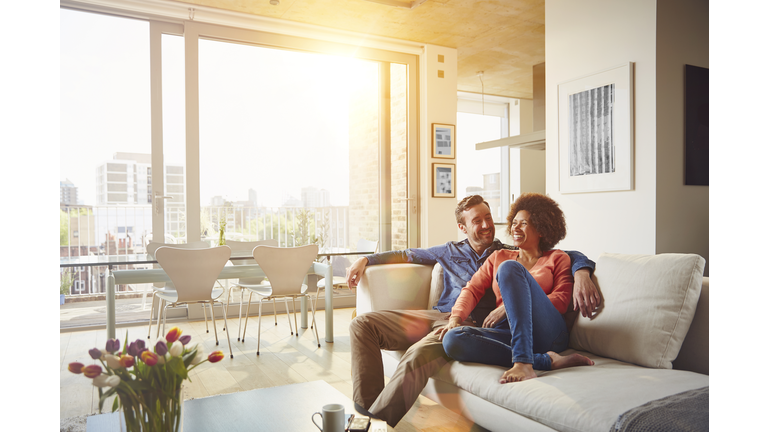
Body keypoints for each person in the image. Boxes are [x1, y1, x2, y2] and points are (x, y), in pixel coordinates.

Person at [346, 195, 601, 427]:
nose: (487, 225)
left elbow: (567, 256)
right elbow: (415, 258)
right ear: (463, 227)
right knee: (362, 324)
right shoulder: (469, 252)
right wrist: (366, 259)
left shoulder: (514, 252)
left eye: (489, 218)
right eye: (477, 220)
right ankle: (364, 414)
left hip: (482, 323)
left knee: (422, 351)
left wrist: (583, 270)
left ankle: (375, 424)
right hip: (445, 316)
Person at [439, 193, 595, 384]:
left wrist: (508, 307)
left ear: (541, 229)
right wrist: (456, 318)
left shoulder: (557, 258)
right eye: (514, 223)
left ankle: (523, 363)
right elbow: (472, 289)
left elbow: (562, 301)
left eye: (523, 223)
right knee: (453, 339)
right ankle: (545, 361)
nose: (515, 228)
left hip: (547, 332)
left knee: (510, 268)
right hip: (510, 332)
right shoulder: (499, 256)